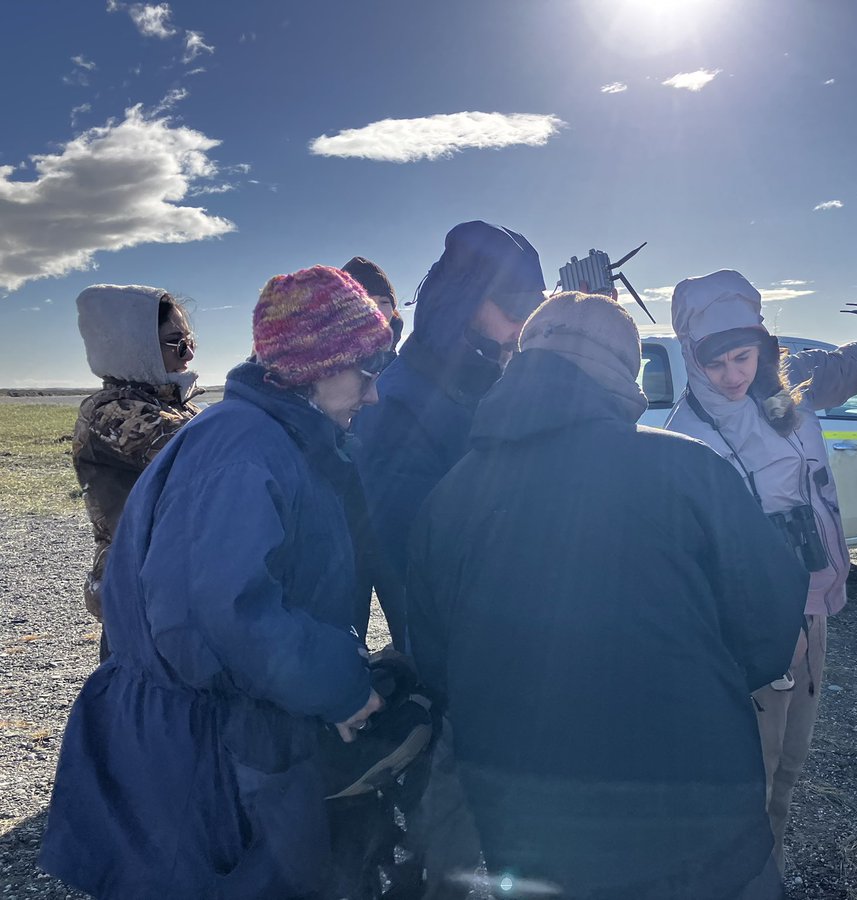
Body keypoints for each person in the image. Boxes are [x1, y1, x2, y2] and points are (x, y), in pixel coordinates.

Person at [406, 292, 809, 900]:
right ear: (624, 371)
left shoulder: (449, 498)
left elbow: (437, 663)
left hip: (533, 840)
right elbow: (770, 633)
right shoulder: (689, 470)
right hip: (698, 823)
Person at [40, 265, 396, 899]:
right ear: (312, 366)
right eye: (366, 372)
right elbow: (220, 612)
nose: (374, 395)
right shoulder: (243, 447)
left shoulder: (270, 435)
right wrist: (338, 687)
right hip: (203, 756)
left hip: (223, 734)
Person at [352, 220, 546, 898]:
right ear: (465, 298)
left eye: (536, 306)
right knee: (447, 818)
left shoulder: (488, 372)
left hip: (505, 632)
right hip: (453, 647)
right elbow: (398, 552)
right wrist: (442, 656)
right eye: (516, 304)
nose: (525, 322)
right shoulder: (405, 394)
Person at [663, 269, 857, 869]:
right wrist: (768, 630)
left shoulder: (785, 395)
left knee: (792, 766)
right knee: (754, 768)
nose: (733, 375)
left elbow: (852, 363)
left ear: (764, 348)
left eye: (744, 357)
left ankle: (766, 872)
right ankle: (742, 878)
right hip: (756, 630)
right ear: (692, 360)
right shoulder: (688, 438)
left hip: (813, 605)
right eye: (717, 363)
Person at [71, 285, 202, 660]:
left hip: (170, 585)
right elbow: (202, 454)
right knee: (140, 706)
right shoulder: (113, 411)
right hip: (139, 589)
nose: (189, 353)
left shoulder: (173, 406)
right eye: (175, 342)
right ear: (134, 347)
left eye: (189, 340)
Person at [344, 255, 404, 350]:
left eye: (384, 302)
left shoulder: (409, 362)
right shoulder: (317, 361)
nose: (377, 310)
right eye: (364, 302)